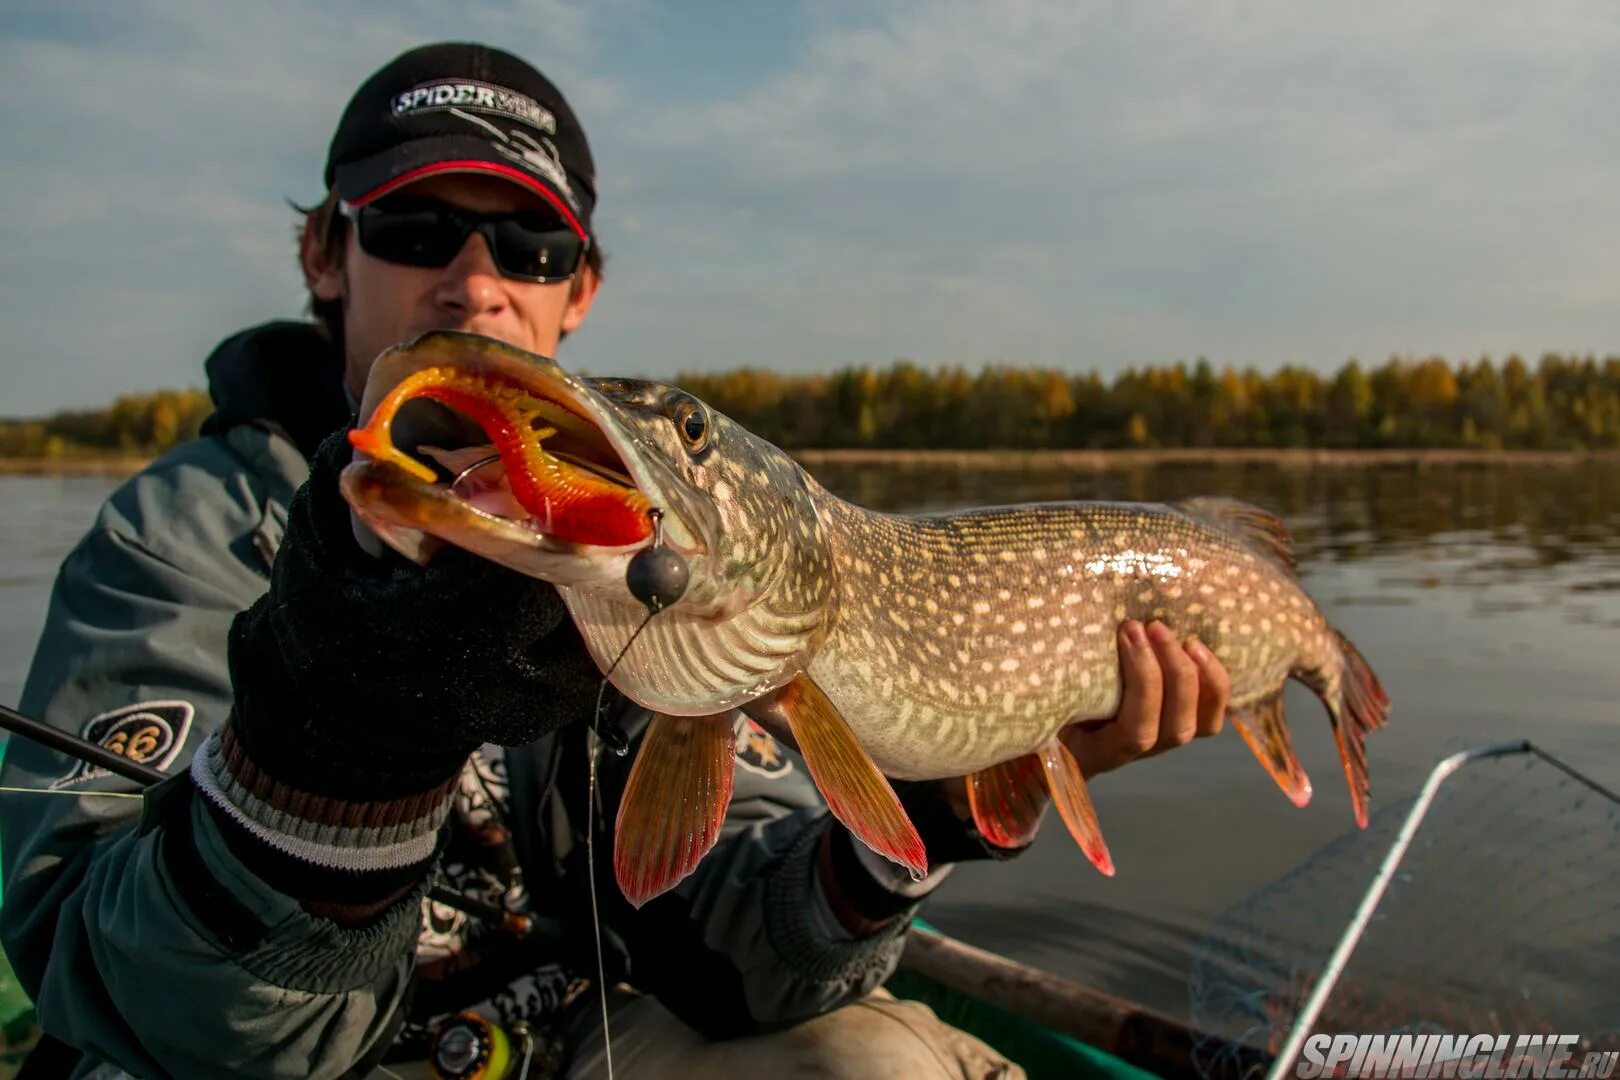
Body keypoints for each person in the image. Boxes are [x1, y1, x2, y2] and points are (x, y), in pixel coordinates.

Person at [0, 42, 1231, 1079]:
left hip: (562, 1035)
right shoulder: (174, 540)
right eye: (419, 228)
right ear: (329, 254)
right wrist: (339, 745)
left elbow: (745, 961)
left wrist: (929, 803)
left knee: (876, 1063)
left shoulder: (663, 554)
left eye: (529, 248)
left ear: (579, 289)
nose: (475, 285)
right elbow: (118, 992)